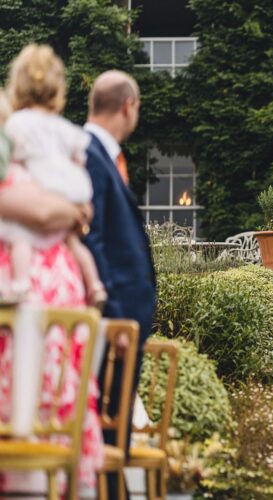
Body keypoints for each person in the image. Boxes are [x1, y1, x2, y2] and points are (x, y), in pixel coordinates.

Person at [0, 78, 103, 494]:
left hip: (48, 318)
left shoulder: (25, 169)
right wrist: (73, 210)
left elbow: (60, 210)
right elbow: (45, 212)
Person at [82, 70, 156, 495]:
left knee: (118, 431)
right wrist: (112, 312)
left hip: (127, 323)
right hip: (115, 325)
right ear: (128, 105)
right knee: (109, 433)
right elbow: (91, 237)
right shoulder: (90, 154)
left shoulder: (105, 156)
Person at [1, 44, 107, 307]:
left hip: (33, 286)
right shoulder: (65, 128)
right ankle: (95, 285)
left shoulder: (17, 126)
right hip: (63, 283)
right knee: (74, 242)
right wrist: (76, 207)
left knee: (20, 237)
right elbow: (79, 158)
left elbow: (13, 163)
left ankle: (21, 283)